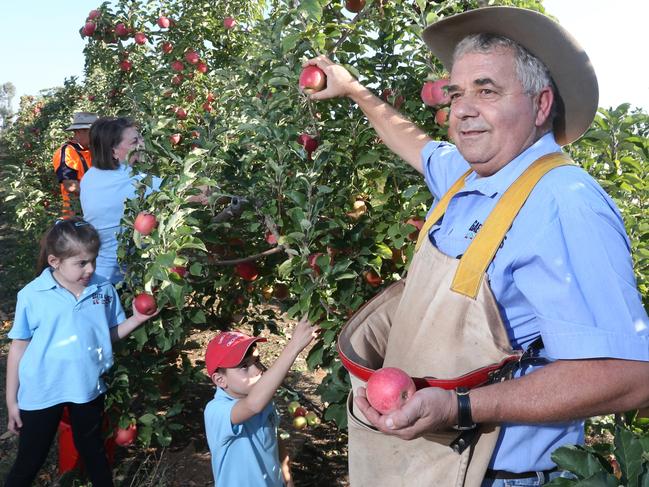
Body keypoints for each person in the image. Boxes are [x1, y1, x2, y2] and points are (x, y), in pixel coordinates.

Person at [305, 6, 649, 486]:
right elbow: (415, 144)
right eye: (456, 93)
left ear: (541, 104)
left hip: (500, 476)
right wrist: (354, 89)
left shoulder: (563, 203)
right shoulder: (468, 177)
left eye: (487, 91)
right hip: (422, 464)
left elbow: (630, 375)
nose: (462, 109)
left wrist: (460, 407)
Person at [4, 217, 158, 487]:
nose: (90, 269)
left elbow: (106, 335)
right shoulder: (33, 295)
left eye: (93, 260)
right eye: (81, 263)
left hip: (86, 387)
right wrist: (11, 401)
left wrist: (134, 320)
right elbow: (19, 347)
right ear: (54, 262)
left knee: (94, 452)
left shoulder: (102, 289)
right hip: (42, 389)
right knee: (30, 460)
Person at [203, 318, 319, 487]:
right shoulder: (216, 411)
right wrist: (294, 346)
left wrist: (286, 474)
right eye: (244, 366)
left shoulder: (264, 401)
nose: (257, 370)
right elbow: (252, 405)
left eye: (256, 361)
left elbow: (274, 436)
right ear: (220, 380)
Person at [80, 117, 163, 284]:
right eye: (134, 141)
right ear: (114, 151)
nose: (142, 143)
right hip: (124, 278)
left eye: (140, 137)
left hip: (96, 272)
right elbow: (185, 192)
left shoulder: (90, 177)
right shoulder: (133, 181)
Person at [52, 112, 98, 217]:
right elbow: (70, 186)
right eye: (94, 132)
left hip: (95, 212)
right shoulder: (67, 151)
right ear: (79, 131)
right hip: (77, 216)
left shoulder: (92, 151)